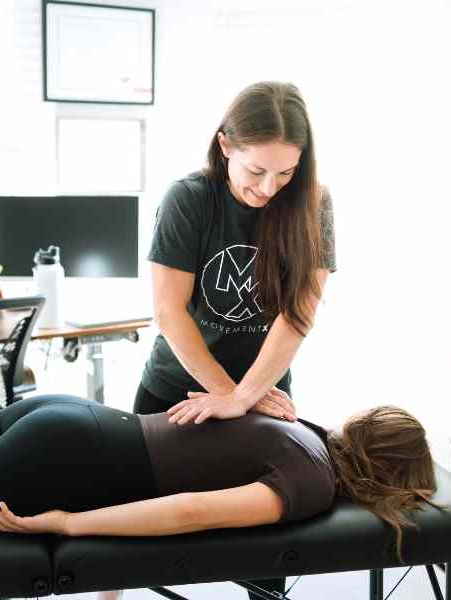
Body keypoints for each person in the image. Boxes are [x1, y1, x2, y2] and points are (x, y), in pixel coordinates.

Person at [0, 395, 437, 566]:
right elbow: (189, 513)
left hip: (69, 416)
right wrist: (68, 523)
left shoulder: (304, 430)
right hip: (60, 464)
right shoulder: (312, 482)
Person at [134, 80, 336, 598]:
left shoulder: (313, 203)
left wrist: (245, 399)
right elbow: (169, 310)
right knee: (127, 531)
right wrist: (228, 394)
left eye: (286, 172)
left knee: (267, 551)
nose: (270, 188)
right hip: (174, 387)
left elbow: (297, 317)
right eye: (256, 170)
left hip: (265, 392)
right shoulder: (189, 199)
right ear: (225, 144)